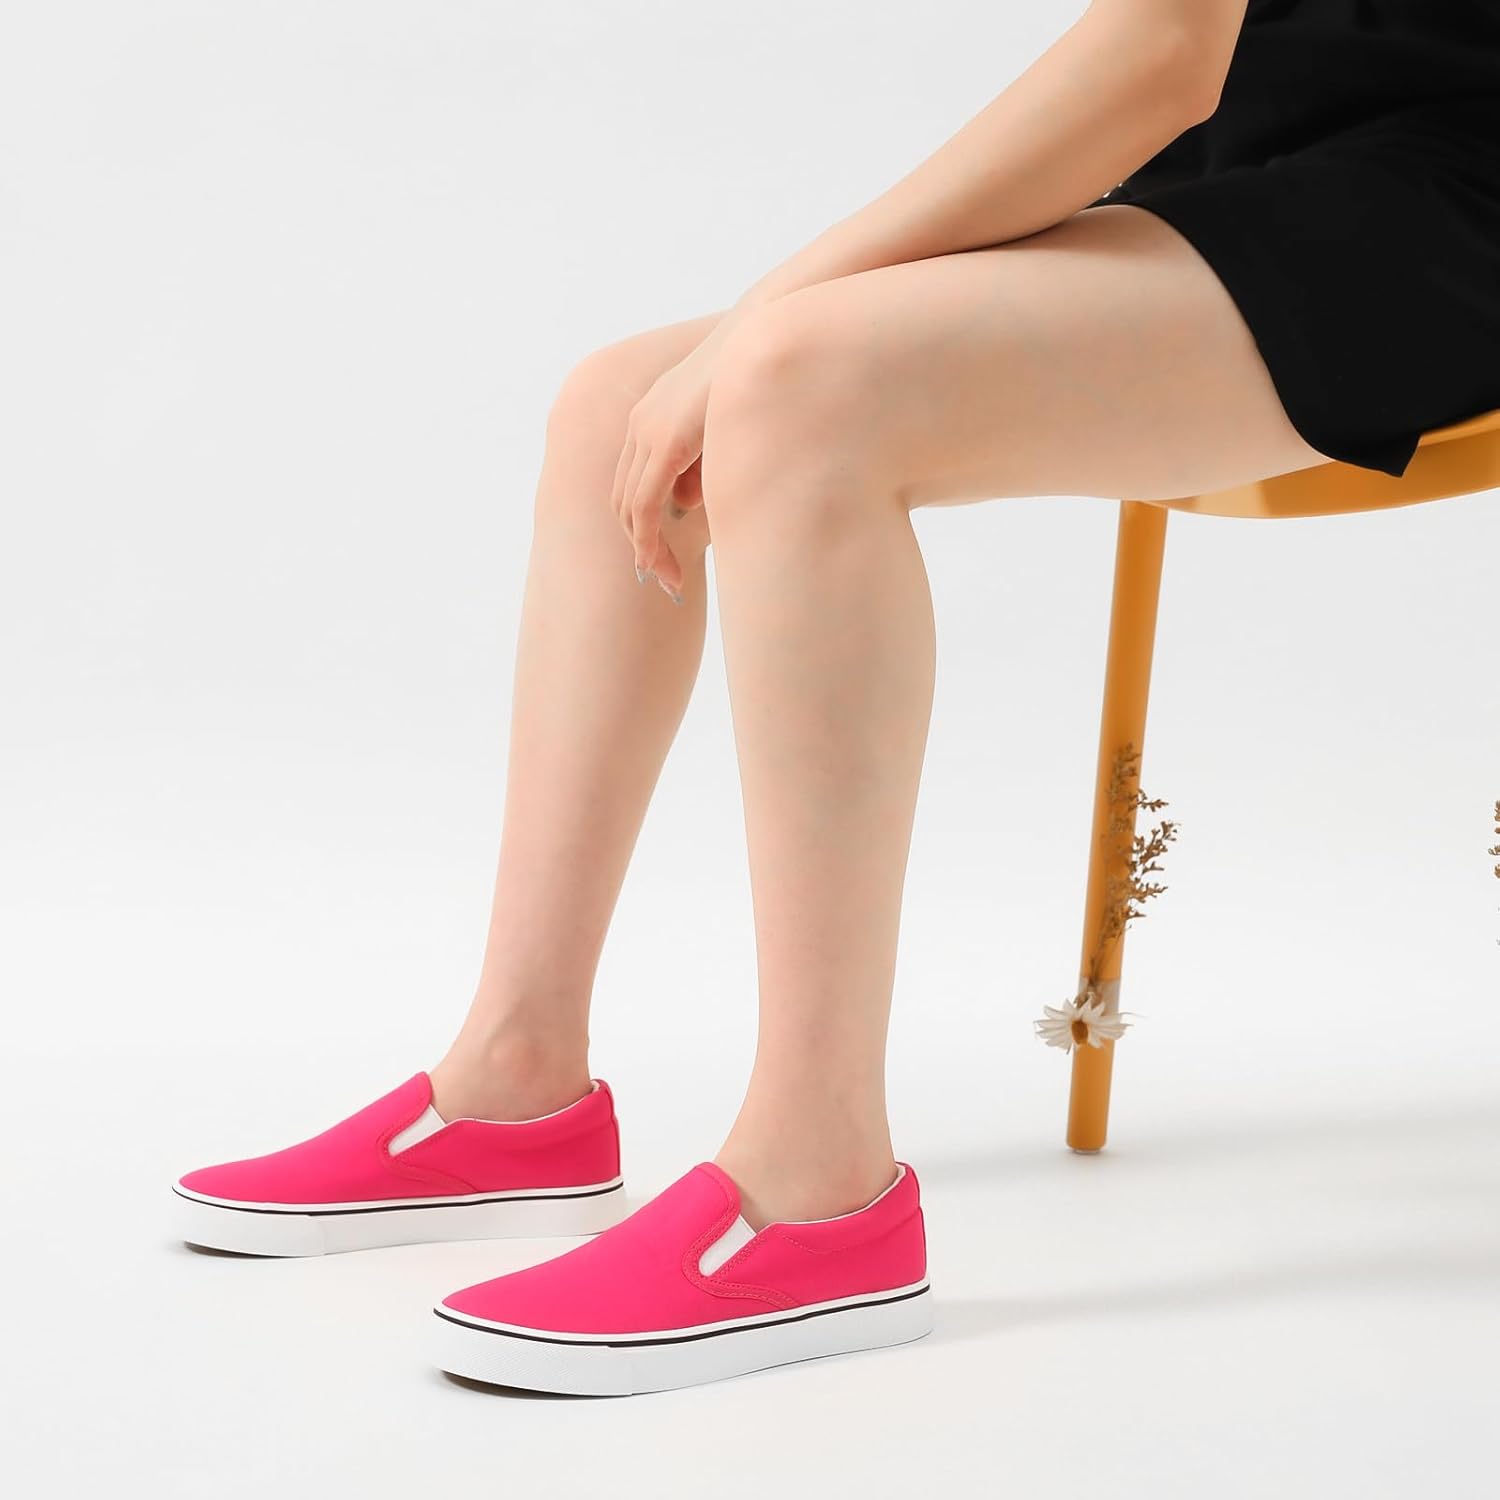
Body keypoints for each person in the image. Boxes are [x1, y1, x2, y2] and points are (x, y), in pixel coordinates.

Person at [172, 0, 1500, 1395]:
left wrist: (762, 326)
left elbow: (1157, 59)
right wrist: (748, 338)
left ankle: (816, 1181)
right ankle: (515, 1081)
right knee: (619, 405)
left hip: (1451, 198)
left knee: (795, 390)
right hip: (1274, 175)